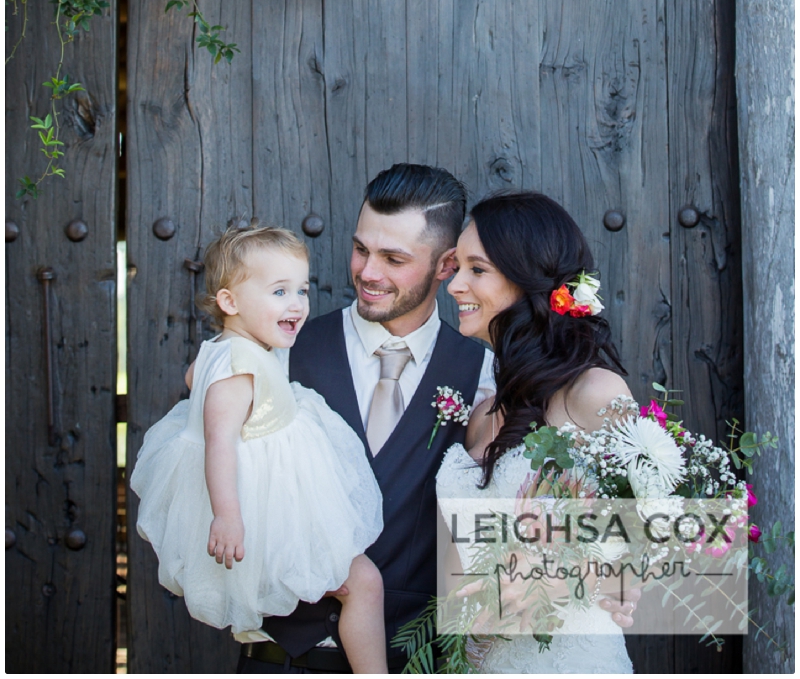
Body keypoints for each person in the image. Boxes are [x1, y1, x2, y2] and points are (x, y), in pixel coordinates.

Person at [238, 163, 494, 674]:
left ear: (446, 266)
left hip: (415, 662)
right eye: (361, 249)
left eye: (394, 258)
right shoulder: (278, 349)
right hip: (280, 659)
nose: (368, 273)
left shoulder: (485, 371)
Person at [130, 224, 386, 675]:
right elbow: (220, 444)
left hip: (269, 499)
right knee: (364, 581)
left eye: (302, 290)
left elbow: (194, 379)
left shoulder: (224, 350)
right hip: (260, 512)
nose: (297, 304)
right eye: (279, 291)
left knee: (354, 582)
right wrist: (227, 516)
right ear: (230, 302)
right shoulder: (239, 370)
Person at [438, 190, 636, 674]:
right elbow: (457, 579)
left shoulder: (594, 394)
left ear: (527, 278)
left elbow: (666, 531)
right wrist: (470, 621)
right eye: (457, 267)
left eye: (476, 269)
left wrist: (557, 580)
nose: (454, 285)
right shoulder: (482, 415)